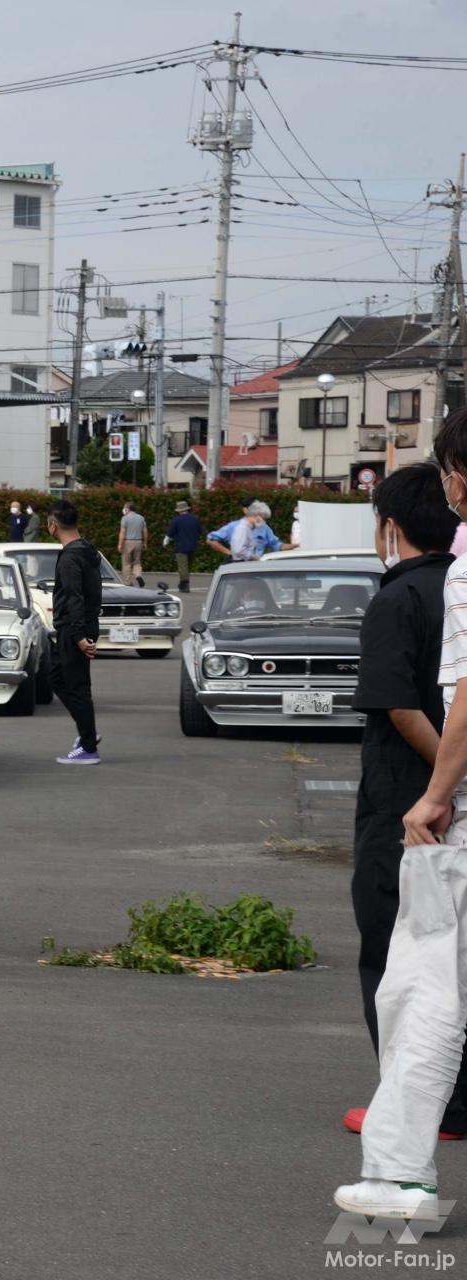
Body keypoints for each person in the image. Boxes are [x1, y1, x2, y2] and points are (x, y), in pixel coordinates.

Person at [337, 410, 467, 1221]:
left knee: (408, 972)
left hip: (418, 808)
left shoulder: (412, 593)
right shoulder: (451, 580)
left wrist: (439, 787)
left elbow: (405, 703)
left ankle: (404, 1157)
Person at [48, 501, 101, 765]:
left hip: (73, 629)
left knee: (77, 687)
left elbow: (74, 596)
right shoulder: (87, 549)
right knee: (56, 678)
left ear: (53, 524)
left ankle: (89, 748)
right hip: (77, 627)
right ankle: (87, 729)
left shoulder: (70, 557)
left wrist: (80, 636)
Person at [206, 500, 287, 560]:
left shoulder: (249, 528)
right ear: (257, 516)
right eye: (264, 518)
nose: (264, 522)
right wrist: (254, 557)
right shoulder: (242, 528)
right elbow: (238, 551)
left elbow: (277, 545)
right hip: (242, 564)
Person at [164, 499, 202, 592]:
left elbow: (169, 534)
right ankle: (183, 584)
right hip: (192, 546)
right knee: (188, 566)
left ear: (179, 510)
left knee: (182, 567)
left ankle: (184, 585)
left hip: (180, 547)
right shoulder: (195, 519)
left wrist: (165, 543)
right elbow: (200, 531)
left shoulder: (176, 520)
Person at [118, 501, 147, 587]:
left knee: (126, 563)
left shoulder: (125, 518)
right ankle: (138, 575)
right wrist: (145, 543)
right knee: (137, 562)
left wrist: (120, 544)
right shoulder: (141, 518)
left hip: (127, 542)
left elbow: (122, 532)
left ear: (128, 509)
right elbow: (145, 531)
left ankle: (128, 582)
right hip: (138, 541)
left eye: (125, 508)